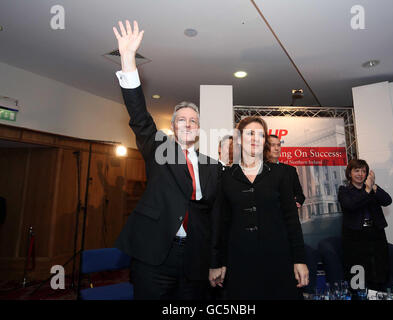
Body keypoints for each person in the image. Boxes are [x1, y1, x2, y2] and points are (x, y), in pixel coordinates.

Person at [112, 20, 222, 300]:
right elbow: (139, 116)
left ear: (199, 129)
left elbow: (216, 217)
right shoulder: (158, 148)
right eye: (182, 120)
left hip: (195, 261)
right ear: (173, 127)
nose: (188, 124)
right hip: (154, 256)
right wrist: (128, 59)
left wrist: (215, 261)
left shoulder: (212, 166)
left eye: (193, 120)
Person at [210, 116, 309, 299]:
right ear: (239, 138)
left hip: (279, 259)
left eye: (261, 135)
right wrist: (217, 262)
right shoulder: (226, 177)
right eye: (250, 133)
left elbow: (291, 220)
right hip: (240, 261)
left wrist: (300, 260)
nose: (256, 138)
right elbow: (221, 224)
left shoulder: (280, 174)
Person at [338, 159, 392, 292]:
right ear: (350, 173)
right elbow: (351, 205)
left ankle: (378, 293)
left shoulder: (372, 188)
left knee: (378, 271)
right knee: (358, 274)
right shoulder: (344, 190)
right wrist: (367, 190)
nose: (360, 174)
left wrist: (373, 186)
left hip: (376, 234)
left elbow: (387, 200)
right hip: (355, 237)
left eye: (363, 171)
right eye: (357, 171)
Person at [266, 134, 305, 208]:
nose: (276, 148)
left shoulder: (290, 170)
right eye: (273, 145)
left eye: (278, 145)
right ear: (265, 148)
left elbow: (300, 195)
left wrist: (298, 201)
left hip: (288, 216)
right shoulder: (257, 170)